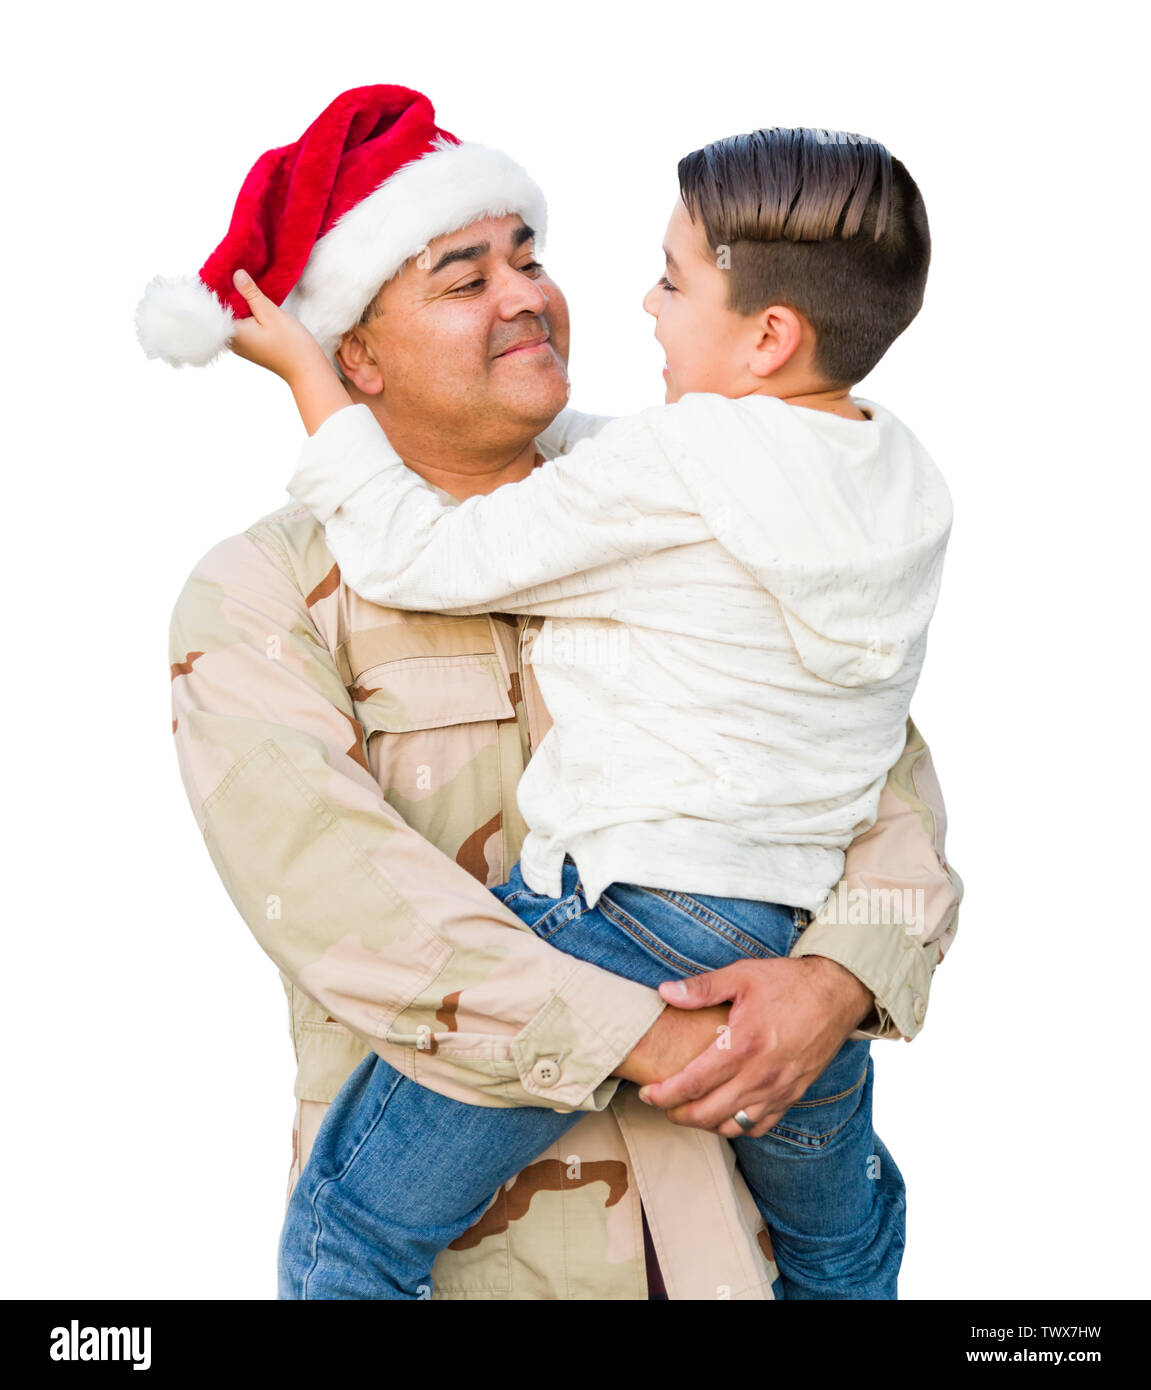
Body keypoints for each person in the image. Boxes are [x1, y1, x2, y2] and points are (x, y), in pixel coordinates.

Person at [148, 85, 963, 1301]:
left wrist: (836, 982)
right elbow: (342, 904)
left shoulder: (710, 495)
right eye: (461, 277)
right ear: (349, 356)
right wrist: (668, 1033)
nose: (527, 293)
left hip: (718, 1254)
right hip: (483, 1268)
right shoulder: (263, 599)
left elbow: (878, 784)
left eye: (527, 257)